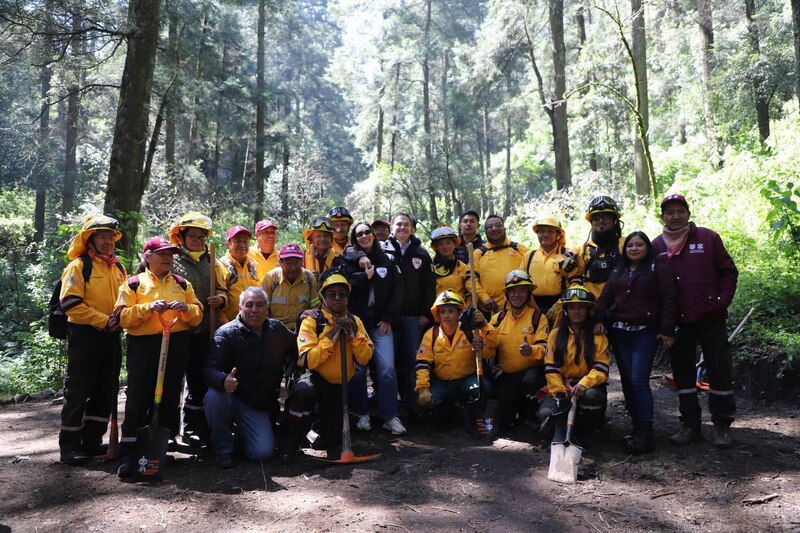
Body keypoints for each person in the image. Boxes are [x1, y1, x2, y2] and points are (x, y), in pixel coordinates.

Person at [652, 194, 739, 448]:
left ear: (688, 213)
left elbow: (729, 271)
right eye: (670, 212)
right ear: (663, 217)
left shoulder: (707, 238)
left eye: (680, 211)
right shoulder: (656, 245)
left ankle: (722, 425)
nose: (675, 216)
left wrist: (721, 301)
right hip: (678, 321)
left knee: (719, 369)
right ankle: (690, 424)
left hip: (711, 317)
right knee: (683, 372)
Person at [116, 237, 203, 477]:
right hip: (143, 345)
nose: (168, 258)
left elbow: (197, 315)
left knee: (169, 395)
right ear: (147, 257)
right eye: (162, 254)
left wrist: (186, 309)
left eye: (170, 254)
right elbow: (122, 317)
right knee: (138, 396)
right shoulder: (133, 284)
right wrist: (147, 308)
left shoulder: (182, 284)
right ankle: (129, 453)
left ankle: (160, 450)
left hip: (176, 343)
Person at [594, 231, 678, 454]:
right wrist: (599, 319)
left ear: (647, 247)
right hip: (620, 333)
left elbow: (670, 298)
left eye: (639, 245)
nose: (634, 249)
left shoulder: (657, 268)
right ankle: (637, 426)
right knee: (627, 382)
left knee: (639, 381)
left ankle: (646, 433)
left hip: (645, 332)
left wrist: (667, 329)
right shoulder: (619, 270)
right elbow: (605, 298)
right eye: (630, 245)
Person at [280, 269, 374, 461]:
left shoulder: (356, 322)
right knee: (304, 392)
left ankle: (315, 428)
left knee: (331, 440)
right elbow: (308, 360)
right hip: (313, 378)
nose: (338, 298)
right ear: (323, 297)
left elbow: (364, 359)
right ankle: (290, 442)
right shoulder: (312, 321)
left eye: (342, 294)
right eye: (332, 294)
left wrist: (353, 336)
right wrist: (330, 337)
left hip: (338, 386)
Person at [57, 215, 127, 465]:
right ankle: (70, 446)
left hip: (111, 336)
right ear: (90, 240)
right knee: (78, 389)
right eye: (102, 237)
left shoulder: (118, 267)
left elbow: (124, 300)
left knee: (106, 389)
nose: (108, 242)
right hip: (85, 336)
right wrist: (103, 320)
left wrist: (120, 318)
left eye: (111, 237)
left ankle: (92, 441)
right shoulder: (78, 266)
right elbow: (70, 304)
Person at [203, 287, 297, 468]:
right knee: (214, 397)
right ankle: (223, 449)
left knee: (262, 453)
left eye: (260, 305)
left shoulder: (277, 330)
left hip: (257, 405)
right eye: (249, 305)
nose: (255, 310)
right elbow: (209, 369)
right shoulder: (225, 333)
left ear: (267, 309)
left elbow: (298, 346)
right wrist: (223, 380)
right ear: (240, 309)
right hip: (230, 398)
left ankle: (242, 436)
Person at [341, 221, 405, 435]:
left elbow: (397, 291)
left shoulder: (386, 259)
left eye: (367, 232)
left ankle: (390, 416)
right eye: (359, 234)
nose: (364, 235)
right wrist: (364, 273)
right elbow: (346, 287)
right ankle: (362, 413)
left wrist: (388, 318)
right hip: (357, 325)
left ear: (373, 235)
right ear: (354, 239)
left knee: (386, 369)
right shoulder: (348, 259)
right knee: (358, 371)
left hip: (381, 324)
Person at [168, 212, 227, 447]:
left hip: (204, 329)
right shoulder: (172, 259)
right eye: (193, 236)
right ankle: (168, 431)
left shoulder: (211, 260)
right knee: (172, 380)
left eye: (201, 236)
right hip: (177, 330)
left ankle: (194, 427)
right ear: (181, 236)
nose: (197, 240)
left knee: (198, 379)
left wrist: (220, 300)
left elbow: (223, 290)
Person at [415, 290, 492, 435]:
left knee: (482, 388)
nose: (447, 315)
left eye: (451, 311)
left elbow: (490, 352)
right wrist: (423, 388)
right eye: (443, 312)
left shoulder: (470, 331)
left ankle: (472, 420)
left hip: (467, 380)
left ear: (458, 313)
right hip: (442, 383)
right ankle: (448, 414)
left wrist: (481, 346)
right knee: (430, 404)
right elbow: (422, 363)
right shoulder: (431, 334)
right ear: (438, 314)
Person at [539, 284, 611, 438]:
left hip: (587, 386)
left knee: (591, 397)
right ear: (565, 310)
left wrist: (584, 384)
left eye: (581, 307)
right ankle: (559, 431)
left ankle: (588, 430)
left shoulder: (598, 335)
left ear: (588, 310)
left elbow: (601, 368)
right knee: (545, 413)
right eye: (572, 307)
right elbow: (551, 368)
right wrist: (559, 391)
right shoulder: (555, 335)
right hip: (562, 383)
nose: (576, 311)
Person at [381, 213, 436, 414]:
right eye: (398, 224)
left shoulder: (421, 254)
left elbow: (429, 287)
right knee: (388, 361)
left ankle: (413, 403)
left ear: (412, 229)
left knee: (412, 359)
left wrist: (426, 313)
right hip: (388, 318)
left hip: (414, 316)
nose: (402, 227)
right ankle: (387, 404)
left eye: (407, 225)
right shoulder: (382, 251)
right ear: (392, 228)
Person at [482, 271, 549, 431]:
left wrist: (531, 350)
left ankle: (531, 414)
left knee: (530, 381)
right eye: (513, 291)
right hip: (507, 374)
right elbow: (490, 352)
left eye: (521, 290)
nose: (517, 295)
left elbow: (546, 349)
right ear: (507, 293)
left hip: (532, 374)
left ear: (528, 292)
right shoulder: (497, 319)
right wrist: (480, 345)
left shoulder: (539, 318)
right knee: (505, 419)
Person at [566, 196, 624, 299]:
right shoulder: (581, 249)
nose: (601, 221)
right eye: (596, 218)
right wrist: (564, 261)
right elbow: (561, 258)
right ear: (591, 222)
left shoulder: (626, 244)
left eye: (606, 217)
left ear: (614, 220)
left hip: (620, 305)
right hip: (592, 307)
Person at [472, 215, 529, 314]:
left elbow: (533, 269)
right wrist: (485, 298)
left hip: (520, 308)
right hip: (490, 310)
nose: (494, 228)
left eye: (498, 225)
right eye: (490, 227)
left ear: (504, 228)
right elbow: (471, 280)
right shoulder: (478, 253)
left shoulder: (519, 249)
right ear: (485, 231)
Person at [518, 215, 570, 314]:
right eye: (541, 231)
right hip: (533, 307)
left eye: (550, 231)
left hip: (561, 304)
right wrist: (532, 305)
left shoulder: (567, 254)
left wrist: (560, 304)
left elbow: (574, 283)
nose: (545, 234)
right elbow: (521, 283)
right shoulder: (529, 256)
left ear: (558, 234)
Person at [262, 243, 319, 331]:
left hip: (303, 328)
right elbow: (263, 309)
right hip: (276, 329)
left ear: (302, 262)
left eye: (296, 263)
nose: (293, 267)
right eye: (288, 263)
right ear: (280, 263)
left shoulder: (309, 278)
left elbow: (316, 307)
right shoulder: (271, 278)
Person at [431, 225, 488, 307]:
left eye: (448, 243)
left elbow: (471, 291)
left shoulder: (463, 267)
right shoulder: (430, 265)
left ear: (454, 245)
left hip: (457, 312)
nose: (445, 247)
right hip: (436, 311)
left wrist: (464, 310)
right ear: (436, 247)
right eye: (440, 244)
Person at [217, 225, 260, 324]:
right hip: (231, 325)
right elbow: (219, 301)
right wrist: (227, 326)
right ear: (228, 244)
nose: (242, 245)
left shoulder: (254, 265)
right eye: (238, 241)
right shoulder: (220, 266)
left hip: (253, 323)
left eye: (245, 241)